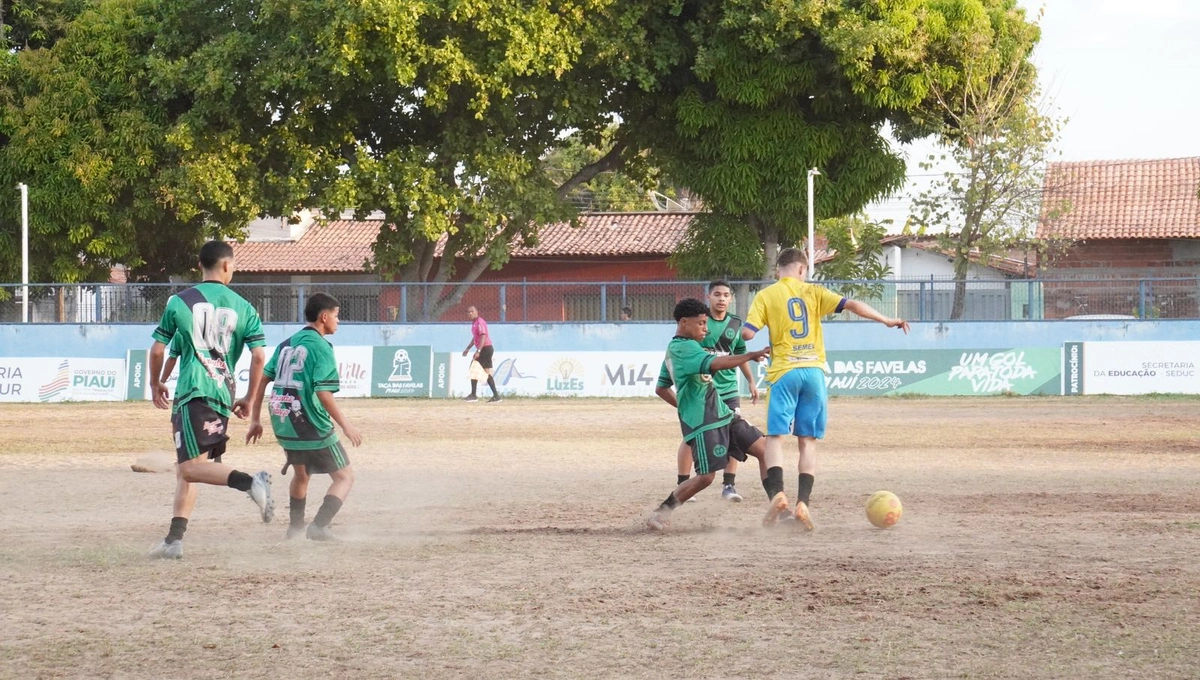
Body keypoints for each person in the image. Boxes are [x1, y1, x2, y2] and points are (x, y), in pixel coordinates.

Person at [741, 247, 910, 530]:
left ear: (778, 270)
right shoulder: (814, 292)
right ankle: (803, 503)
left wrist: (754, 331)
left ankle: (779, 493)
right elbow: (853, 305)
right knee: (807, 441)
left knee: (774, 438)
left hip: (784, 372)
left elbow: (747, 333)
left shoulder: (766, 295)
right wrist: (887, 320)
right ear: (802, 270)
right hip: (814, 373)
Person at [147, 240, 273, 559]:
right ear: (228, 266)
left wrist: (155, 383)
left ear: (199, 265)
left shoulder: (180, 301)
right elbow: (259, 357)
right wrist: (248, 396)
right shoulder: (245, 308)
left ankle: (250, 482)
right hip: (222, 395)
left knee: (189, 469)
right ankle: (174, 540)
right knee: (190, 469)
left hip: (193, 393)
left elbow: (159, 349)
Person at [648, 298, 783, 531]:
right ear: (683, 322)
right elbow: (717, 363)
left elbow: (661, 387)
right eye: (701, 323)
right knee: (706, 478)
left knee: (765, 449)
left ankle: (779, 508)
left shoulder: (678, 348)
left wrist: (682, 405)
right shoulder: (683, 348)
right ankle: (661, 512)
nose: (705, 328)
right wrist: (750, 355)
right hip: (705, 421)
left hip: (723, 413)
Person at [247, 293, 363, 541]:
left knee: (301, 475)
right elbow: (323, 393)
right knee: (345, 477)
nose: (338, 321)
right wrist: (346, 425)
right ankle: (319, 526)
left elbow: (263, 379)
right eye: (336, 314)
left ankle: (295, 529)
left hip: (283, 420)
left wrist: (255, 419)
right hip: (309, 423)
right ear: (324, 317)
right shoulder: (321, 347)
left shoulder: (287, 343)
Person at [674, 281, 760, 502]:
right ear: (708, 297)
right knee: (692, 437)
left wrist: (751, 381)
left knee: (733, 433)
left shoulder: (735, 324)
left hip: (728, 388)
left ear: (731, 299)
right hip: (701, 390)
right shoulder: (699, 322)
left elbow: (740, 354)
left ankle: (729, 485)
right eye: (717, 294)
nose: (721, 299)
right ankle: (684, 482)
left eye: (726, 295)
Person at [162, 336, 225, 463]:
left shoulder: (182, 331)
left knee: (177, 421)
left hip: (190, 383)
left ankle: (183, 458)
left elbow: (172, 358)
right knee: (216, 419)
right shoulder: (217, 331)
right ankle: (217, 458)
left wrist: (161, 381)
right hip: (216, 382)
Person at [461, 305, 501, 403]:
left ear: (477, 312)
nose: (470, 313)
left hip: (485, 349)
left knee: (473, 368)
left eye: (472, 311)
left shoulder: (480, 322)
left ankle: (473, 395)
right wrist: (468, 348)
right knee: (486, 373)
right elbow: (475, 338)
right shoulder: (474, 323)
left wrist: (478, 351)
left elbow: (483, 336)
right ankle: (496, 396)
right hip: (487, 349)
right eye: (468, 312)